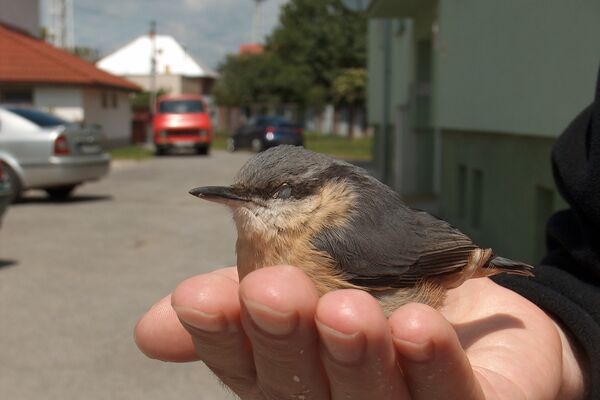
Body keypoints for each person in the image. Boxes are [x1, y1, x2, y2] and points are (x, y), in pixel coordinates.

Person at [134, 68, 600, 399]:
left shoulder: (331, 240)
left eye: (279, 195)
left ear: (322, 192)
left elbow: (432, 259)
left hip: (436, 261)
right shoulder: (257, 244)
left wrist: (488, 267)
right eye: (241, 196)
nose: (248, 207)